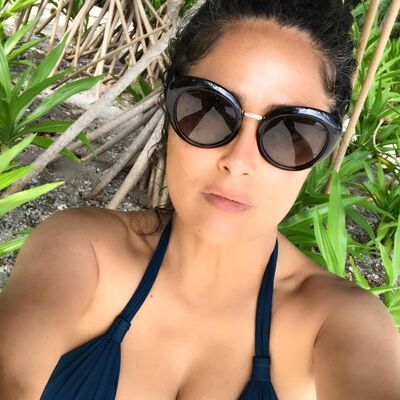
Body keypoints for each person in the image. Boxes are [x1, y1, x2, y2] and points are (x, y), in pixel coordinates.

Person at [1, 0, 400, 399]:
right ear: (168, 109)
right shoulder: (81, 250)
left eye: (292, 131)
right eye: (210, 108)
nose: (238, 162)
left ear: (321, 151)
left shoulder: (338, 323)